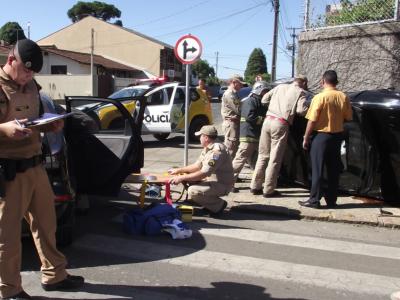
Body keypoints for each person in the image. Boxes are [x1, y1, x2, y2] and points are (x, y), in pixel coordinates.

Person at [0, 39, 84, 300]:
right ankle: (9, 290)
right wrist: (4, 129)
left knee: (47, 225)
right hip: (8, 173)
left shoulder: (31, 85)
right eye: (25, 71)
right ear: (11, 60)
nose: (28, 77)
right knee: (8, 237)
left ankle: (55, 275)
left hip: (36, 167)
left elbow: (34, 119)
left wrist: (49, 126)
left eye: (33, 73)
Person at [299, 70, 352, 208]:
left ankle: (314, 200)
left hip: (321, 136)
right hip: (337, 136)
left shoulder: (319, 97)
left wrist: (306, 137)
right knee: (333, 169)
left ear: (323, 81)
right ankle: (332, 200)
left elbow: (312, 120)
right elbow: (348, 117)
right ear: (336, 82)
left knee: (318, 169)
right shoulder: (343, 97)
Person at [250, 75, 309, 197]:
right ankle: (268, 189)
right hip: (281, 123)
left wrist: (273, 107)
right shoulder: (300, 92)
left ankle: (255, 186)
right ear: (303, 83)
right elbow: (301, 111)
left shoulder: (280, 87)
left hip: (267, 121)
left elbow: (264, 100)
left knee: (262, 155)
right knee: (274, 158)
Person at [168, 125, 233, 217]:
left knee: (192, 190)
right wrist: (178, 170)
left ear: (206, 138)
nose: (199, 138)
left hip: (222, 185)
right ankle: (208, 203)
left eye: (200, 136)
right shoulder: (208, 147)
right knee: (188, 178)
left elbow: (204, 173)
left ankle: (218, 206)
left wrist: (181, 177)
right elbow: (197, 166)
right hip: (211, 181)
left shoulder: (217, 151)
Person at [231, 81, 269, 192]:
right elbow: (250, 116)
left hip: (255, 135)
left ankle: (256, 186)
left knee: (259, 160)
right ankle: (228, 183)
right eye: (265, 91)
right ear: (260, 90)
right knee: (240, 159)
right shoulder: (251, 101)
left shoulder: (257, 100)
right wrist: (264, 120)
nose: (266, 93)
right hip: (249, 136)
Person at [220, 75, 245, 158]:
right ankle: (224, 169)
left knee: (233, 148)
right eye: (240, 84)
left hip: (233, 124)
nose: (242, 86)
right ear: (234, 82)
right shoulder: (230, 94)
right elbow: (239, 109)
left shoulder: (233, 94)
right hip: (231, 124)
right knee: (230, 149)